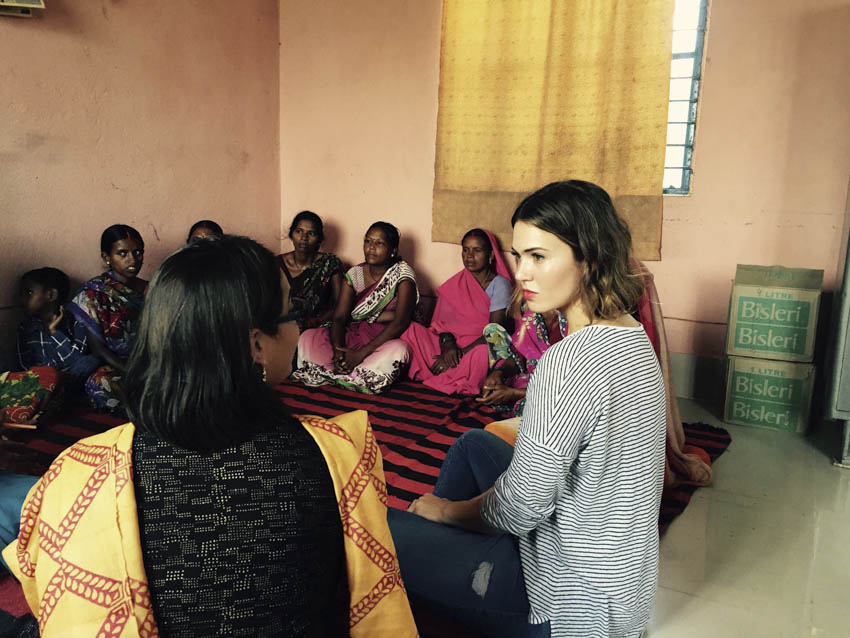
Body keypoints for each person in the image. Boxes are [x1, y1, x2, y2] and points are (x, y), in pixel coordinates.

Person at [3, 236, 417, 637]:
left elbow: (53, 599)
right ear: (257, 343)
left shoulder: (77, 475)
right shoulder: (340, 453)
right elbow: (370, 602)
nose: (300, 325)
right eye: (293, 313)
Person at [388, 180, 667, 638]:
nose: (521, 273)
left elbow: (520, 508)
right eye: (519, 255)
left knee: (376, 529)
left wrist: (443, 512)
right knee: (474, 445)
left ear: (589, 258)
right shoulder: (633, 334)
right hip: (623, 596)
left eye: (539, 256)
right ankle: (453, 576)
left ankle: (460, 579)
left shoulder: (570, 361)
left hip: (565, 602)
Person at [293, 221, 417, 394]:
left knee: (399, 351)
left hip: (382, 340)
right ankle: (338, 368)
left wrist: (360, 354)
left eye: (379, 243)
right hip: (351, 336)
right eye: (368, 241)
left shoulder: (402, 275)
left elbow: (400, 322)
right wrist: (339, 351)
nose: (371, 247)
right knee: (308, 337)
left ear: (393, 250)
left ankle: (351, 373)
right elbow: (339, 317)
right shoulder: (355, 274)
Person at [401, 228, 512, 395]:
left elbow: (495, 332)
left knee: (482, 354)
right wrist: (449, 346)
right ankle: (452, 374)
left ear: (490, 256)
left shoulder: (500, 285)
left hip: (480, 345)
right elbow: (442, 326)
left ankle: (447, 373)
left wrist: (458, 356)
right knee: (412, 330)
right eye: (465, 250)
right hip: (452, 346)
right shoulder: (457, 283)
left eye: (477, 250)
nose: (469, 256)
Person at [68, 224, 147, 411]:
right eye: (122, 253)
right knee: (101, 384)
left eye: (138, 252)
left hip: (149, 360)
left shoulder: (152, 289)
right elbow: (98, 349)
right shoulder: (93, 293)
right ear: (107, 257)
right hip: (115, 364)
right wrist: (133, 371)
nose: (132, 260)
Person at [478, 288, 567, 416]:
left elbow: (573, 386)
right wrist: (499, 373)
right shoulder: (531, 316)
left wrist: (514, 393)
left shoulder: (574, 322)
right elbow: (519, 354)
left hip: (562, 390)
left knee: (541, 409)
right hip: (535, 380)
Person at [16, 267, 99, 388]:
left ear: (51, 295)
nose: (22, 299)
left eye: (29, 293)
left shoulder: (75, 322)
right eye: (21, 294)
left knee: (90, 361)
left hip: (69, 377)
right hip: (41, 380)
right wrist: (49, 375)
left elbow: (76, 360)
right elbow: (24, 364)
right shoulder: (26, 327)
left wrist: (54, 332)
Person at [277, 210, 343, 331]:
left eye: (311, 233)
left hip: (317, 329)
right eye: (299, 231)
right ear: (291, 234)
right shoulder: (277, 264)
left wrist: (314, 322)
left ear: (319, 239)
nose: (304, 238)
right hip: (283, 329)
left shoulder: (330, 264)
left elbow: (341, 306)